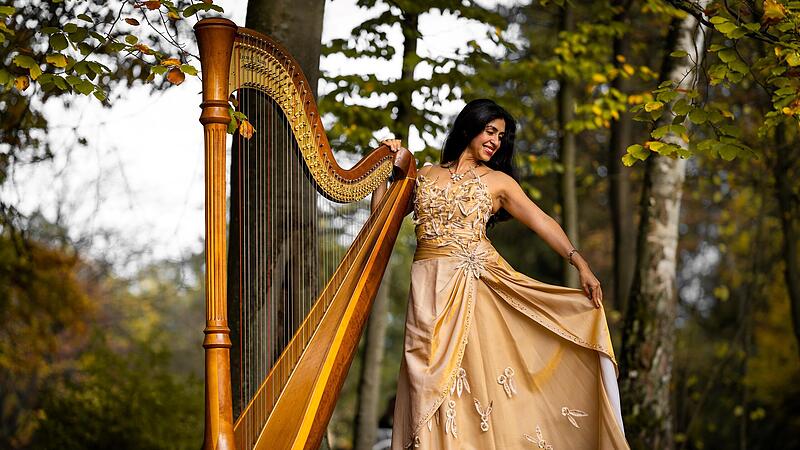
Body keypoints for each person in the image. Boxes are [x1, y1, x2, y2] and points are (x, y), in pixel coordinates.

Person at [372, 99, 629, 449]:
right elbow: (380, 222)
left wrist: (579, 262)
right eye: (490, 131)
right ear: (469, 126)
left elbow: (543, 221)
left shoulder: (498, 182)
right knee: (422, 381)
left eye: (502, 136)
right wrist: (384, 169)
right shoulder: (426, 174)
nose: (496, 141)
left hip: (473, 290)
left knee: (467, 386)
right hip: (426, 290)